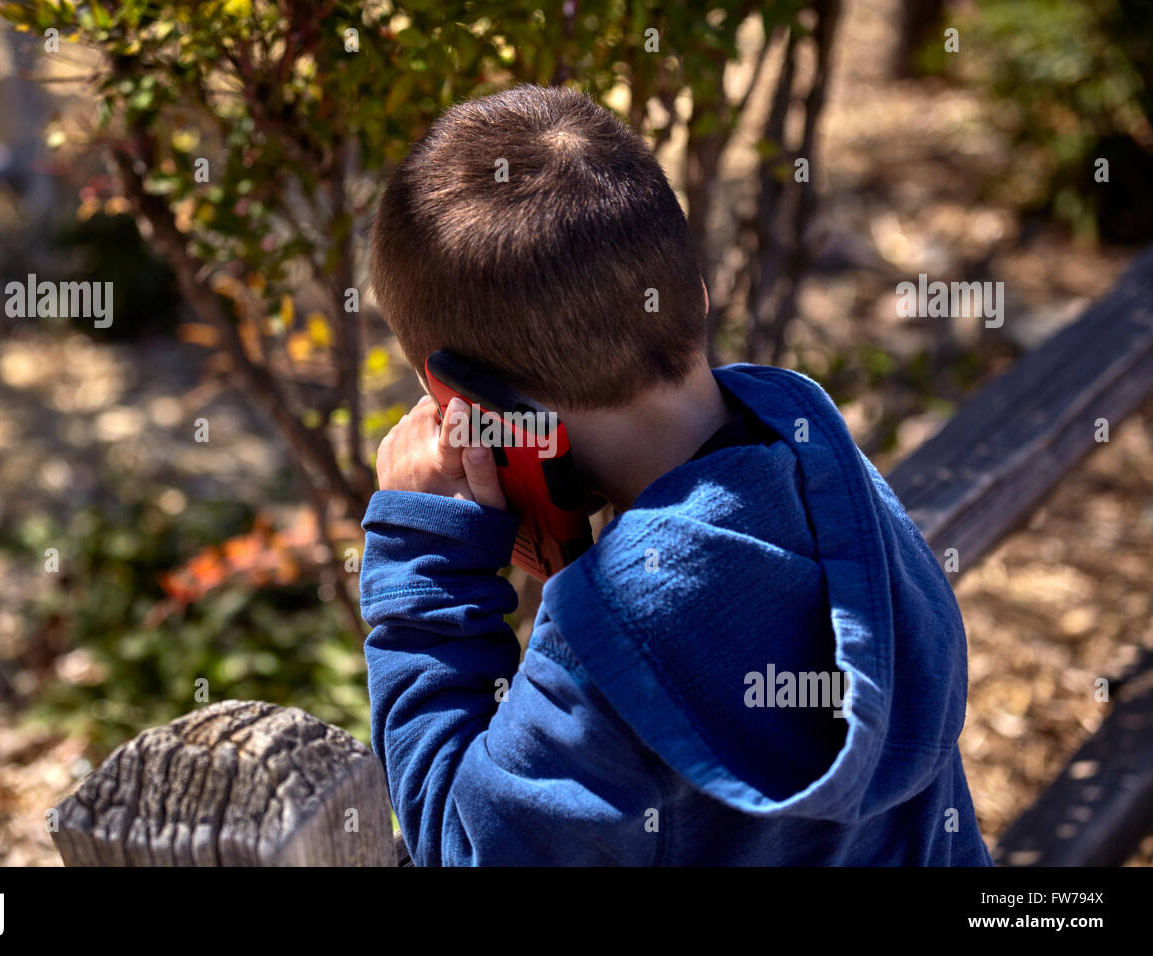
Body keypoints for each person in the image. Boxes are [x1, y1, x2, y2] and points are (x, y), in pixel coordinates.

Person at [358, 84, 991, 866]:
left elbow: (465, 846)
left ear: (471, 404)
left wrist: (425, 562)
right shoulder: (825, 463)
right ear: (692, 293)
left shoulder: (615, 633)